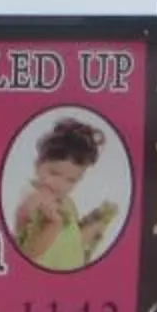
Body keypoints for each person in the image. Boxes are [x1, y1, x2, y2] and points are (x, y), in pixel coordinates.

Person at [12, 115, 119, 272]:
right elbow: (29, 253)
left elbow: (71, 240)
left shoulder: (66, 202)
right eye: (54, 173)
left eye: (71, 180)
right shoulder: (33, 199)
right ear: (38, 165)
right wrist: (52, 224)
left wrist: (95, 225)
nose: (60, 185)